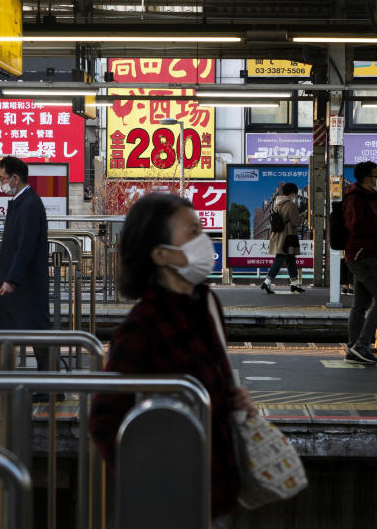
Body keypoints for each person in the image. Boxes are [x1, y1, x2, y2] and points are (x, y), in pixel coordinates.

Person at [88, 193, 256, 521]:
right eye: (192, 233)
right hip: (171, 502)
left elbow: (214, 382)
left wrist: (233, 400)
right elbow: (103, 420)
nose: (204, 242)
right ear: (161, 254)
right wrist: (148, 481)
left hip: (218, 489)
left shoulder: (206, 302)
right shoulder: (141, 328)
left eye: (201, 231)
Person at [0, 156, 54, 374]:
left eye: (2, 178)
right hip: (19, 284)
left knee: (35, 332)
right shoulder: (22, 202)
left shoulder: (29, 204)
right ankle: (3, 379)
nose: (0, 182)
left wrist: (11, 280)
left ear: (15, 178)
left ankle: (49, 386)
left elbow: (25, 246)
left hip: (24, 285)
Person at [342, 161, 377, 365]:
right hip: (362, 255)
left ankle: (355, 348)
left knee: (360, 304)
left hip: (366, 254)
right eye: (375, 175)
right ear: (365, 178)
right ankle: (361, 345)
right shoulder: (356, 199)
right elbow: (358, 227)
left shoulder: (368, 198)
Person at [260, 182, 307, 294]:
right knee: (280, 259)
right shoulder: (291, 205)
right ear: (292, 193)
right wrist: (303, 215)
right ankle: (266, 282)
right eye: (295, 193)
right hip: (287, 236)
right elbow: (295, 222)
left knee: (291, 260)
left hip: (278, 235)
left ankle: (294, 284)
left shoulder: (277, 204)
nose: (295, 196)